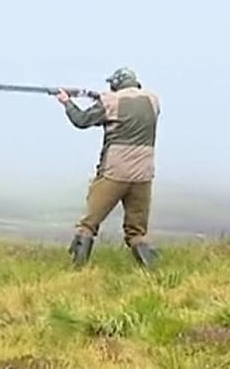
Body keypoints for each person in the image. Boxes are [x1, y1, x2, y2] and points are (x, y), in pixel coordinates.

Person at [55, 67, 161, 268]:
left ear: (116, 84)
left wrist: (66, 102)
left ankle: (77, 271)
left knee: (88, 225)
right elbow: (128, 109)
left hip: (114, 173)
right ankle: (151, 272)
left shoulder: (110, 101)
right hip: (143, 175)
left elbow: (82, 120)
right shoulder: (153, 100)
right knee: (136, 232)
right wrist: (99, 98)